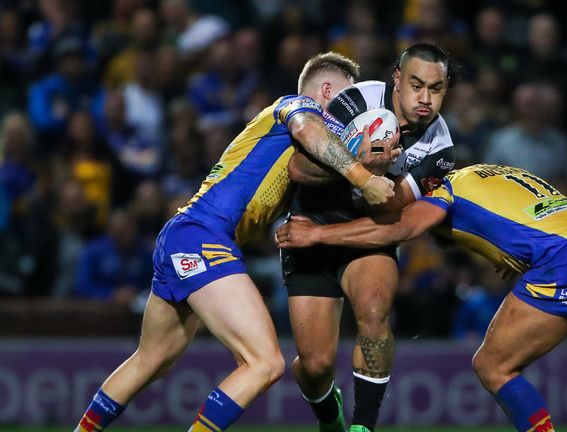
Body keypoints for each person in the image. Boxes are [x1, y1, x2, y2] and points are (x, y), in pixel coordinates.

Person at [74, 52, 398, 432]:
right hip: (203, 237)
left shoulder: (306, 151)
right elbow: (310, 130)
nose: (352, 114)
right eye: (348, 100)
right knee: (265, 362)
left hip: (184, 234)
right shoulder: (298, 107)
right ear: (326, 91)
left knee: (151, 358)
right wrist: (363, 177)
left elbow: (310, 170)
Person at [277, 163, 567, 432]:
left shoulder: (443, 191)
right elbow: (528, 215)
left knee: (493, 367)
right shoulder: (495, 171)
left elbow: (397, 230)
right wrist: (515, 253)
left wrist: (317, 234)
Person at [282, 43, 455, 432]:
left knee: (375, 311)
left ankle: (363, 427)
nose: (425, 98)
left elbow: (392, 212)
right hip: (312, 216)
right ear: (397, 78)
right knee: (314, 366)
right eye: (416, 84)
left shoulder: (440, 147)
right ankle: (331, 418)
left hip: (365, 233)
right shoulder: (356, 99)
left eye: (436, 88)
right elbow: (299, 170)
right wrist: (358, 166)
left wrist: (377, 176)